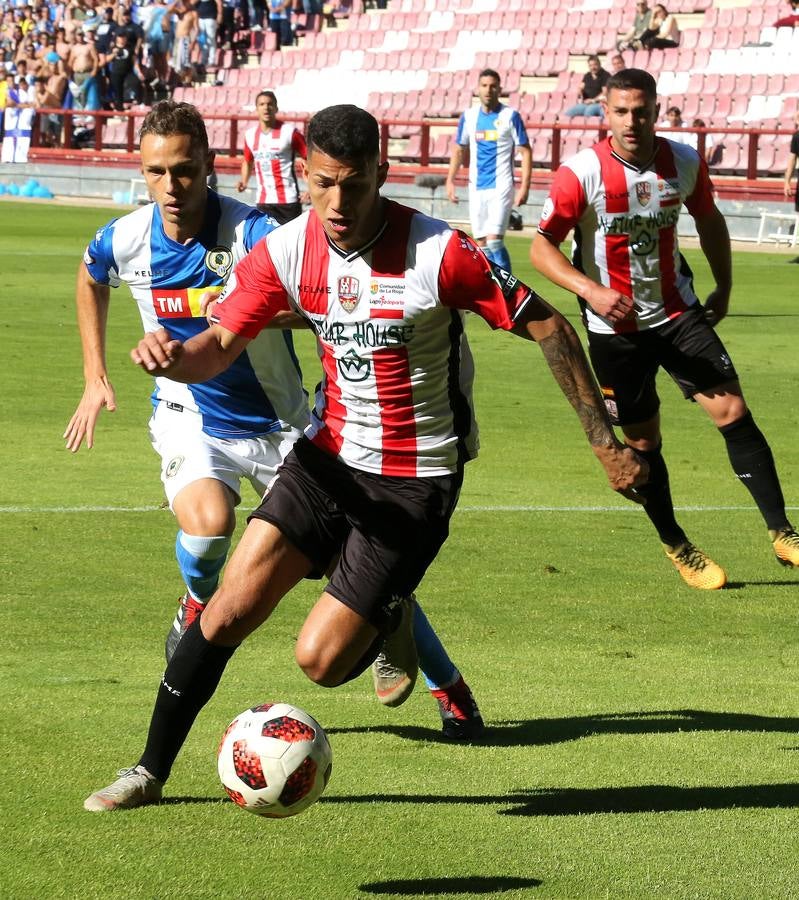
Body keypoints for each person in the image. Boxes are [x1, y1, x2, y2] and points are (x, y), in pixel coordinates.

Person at [82, 102, 645, 812]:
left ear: (381, 171)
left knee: (318, 664)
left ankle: (389, 611)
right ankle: (147, 771)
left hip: (415, 483)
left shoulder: (441, 252)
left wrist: (605, 445)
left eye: (354, 184)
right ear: (302, 173)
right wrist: (169, 356)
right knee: (223, 611)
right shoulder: (284, 249)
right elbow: (218, 345)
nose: (338, 202)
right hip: (326, 458)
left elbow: (549, 325)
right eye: (322, 183)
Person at [65, 99, 484, 760]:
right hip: (191, 418)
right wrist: (96, 373)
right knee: (207, 530)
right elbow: (91, 278)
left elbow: (315, 294)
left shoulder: (257, 234)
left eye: (185, 171)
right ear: (142, 174)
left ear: (211, 167)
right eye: (156, 172)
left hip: (286, 424)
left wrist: (246, 313)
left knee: (367, 574)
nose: (172, 187)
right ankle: (198, 623)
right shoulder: (125, 238)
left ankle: (446, 685)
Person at [531, 68, 799, 590]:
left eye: (643, 110)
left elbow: (711, 220)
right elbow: (543, 248)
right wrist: (591, 290)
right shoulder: (580, 174)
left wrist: (723, 285)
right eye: (623, 111)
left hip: (679, 315)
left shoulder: (683, 162)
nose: (633, 121)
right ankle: (677, 545)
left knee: (733, 411)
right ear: (605, 112)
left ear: (656, 109)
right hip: (616, 333)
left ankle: (784, 533)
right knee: (643, 443)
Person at [446, 68, 531, 272]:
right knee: (482, 245)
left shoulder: (510, 116)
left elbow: (525, 151)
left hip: (502, 185)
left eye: (493, 86)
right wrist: (450, 180)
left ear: (499, 89)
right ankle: (493, 289)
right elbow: (459, 149)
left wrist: (524, 187)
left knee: (494, 241)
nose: (488, 90)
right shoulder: (469, 117)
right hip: (476, 187)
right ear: (478, 89)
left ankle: (510, 292)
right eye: (484, 86)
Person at [236, 89, 306, 224]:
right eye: (262, 104)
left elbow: (308, 158)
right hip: (263, 201)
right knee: (265, 242)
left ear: (276, 107)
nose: (266, 108)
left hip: (288, 200)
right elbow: (248, 160)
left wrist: (310, 188)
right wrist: (244, 181)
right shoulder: (250, 135)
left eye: (270, 104)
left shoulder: (289, 132)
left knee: (291, 243)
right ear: (256, 108)